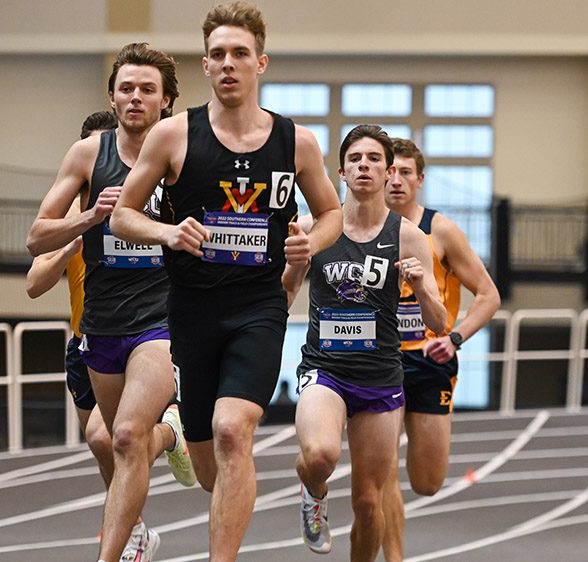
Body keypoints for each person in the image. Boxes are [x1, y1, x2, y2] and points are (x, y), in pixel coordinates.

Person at [109, 3, 343, 559]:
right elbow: (123, 215)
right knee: (211, 461)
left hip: (258, 306)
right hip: (191, 310)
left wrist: (312, 240)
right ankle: (188, 441)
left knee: (235, 428)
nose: (229, 63)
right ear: (206, 66)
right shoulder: (172, 135)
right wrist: (166, 233)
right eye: (218, 55)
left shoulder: (296, 143)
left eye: (240, 53)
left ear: (261, 62)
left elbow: (331, 213)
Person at [26, 43, 194, 562]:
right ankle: (172, 434)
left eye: (148, 89)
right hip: (101, 323)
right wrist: (88, 219)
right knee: (115, 444)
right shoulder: (87, 155)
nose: (136, 97)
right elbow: (36, 239)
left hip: (162, 320)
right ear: (112, 96)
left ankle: (115, 552)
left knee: (122, 435)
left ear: (167, 101)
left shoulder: (185, 153)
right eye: (127, 88)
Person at [282, 126, 446, 562]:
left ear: (390, 171)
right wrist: (293, 265)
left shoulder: (408, 235)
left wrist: (421, 286)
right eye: (355, 159)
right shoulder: (314, 227)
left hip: (379, 378)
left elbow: (439, 321)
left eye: (374, 159)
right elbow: (282, 297)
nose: (364, 167)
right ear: (341, 171)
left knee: (369, 503)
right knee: (319, 455)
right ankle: (313, 493)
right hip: (325, 370)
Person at [380, 138, 501, 562]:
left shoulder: (441, 230)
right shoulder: (361, 228)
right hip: (380, 360)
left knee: (428, 482)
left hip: (430, 361)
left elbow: (488, 295)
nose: (395, 180)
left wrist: (455, 338)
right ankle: (393, 556)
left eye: (405, 172)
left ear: (420, 179)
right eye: (389, 170)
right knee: (379, 474)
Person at [25, 110, 117, 488]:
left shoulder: (143, 204)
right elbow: (33, 284)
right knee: (103, 449)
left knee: (109, 435)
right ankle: (133, 525)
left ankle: (171, 427)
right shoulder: (74, 214)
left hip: (134, 335)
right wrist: (70, 247)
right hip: (84, 344)